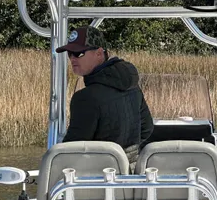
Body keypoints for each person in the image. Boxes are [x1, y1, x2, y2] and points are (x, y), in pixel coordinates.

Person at [56, 26, 153, 164]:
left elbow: (71, 151)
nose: (72, 58)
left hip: (98, 178)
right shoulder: (132, 86)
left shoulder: (84, 98)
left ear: (99, 53)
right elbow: (147, 128)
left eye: (79, 54)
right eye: (69, 53)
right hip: (131, 175)